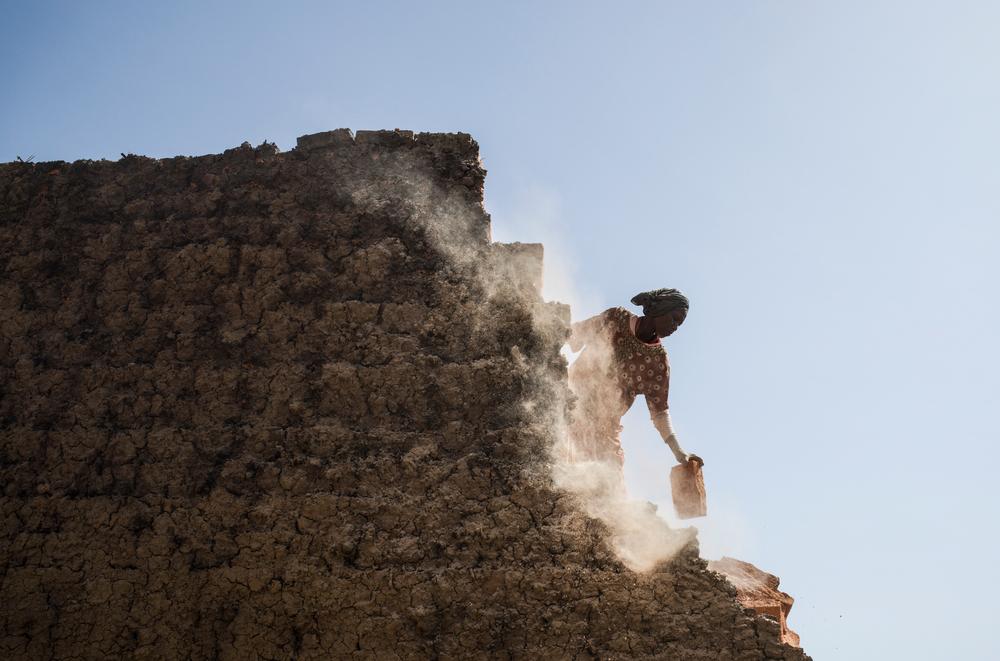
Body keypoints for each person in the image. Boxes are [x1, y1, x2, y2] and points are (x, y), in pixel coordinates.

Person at [566, 287, 703, 473]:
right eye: (674, 319)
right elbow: (574, 335)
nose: (675, 327)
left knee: (608, 485)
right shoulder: (615, 318)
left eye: (679, 325)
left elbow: (660, 413)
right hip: (567, 405)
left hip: (604, 432)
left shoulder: (658, 363)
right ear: (659, 310)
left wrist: (679, 452)